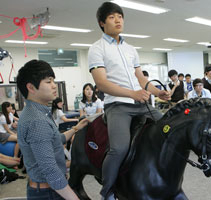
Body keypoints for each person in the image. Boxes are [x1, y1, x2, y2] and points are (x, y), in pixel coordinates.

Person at [88, 2, 170, 199]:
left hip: (140, 104)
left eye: (120, 16)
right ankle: (107, 191)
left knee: (169, 129)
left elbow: (141, 79)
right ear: (102, 23)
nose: (118, 20)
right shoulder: (96, 49)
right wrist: (132, 94)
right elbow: (101, 83)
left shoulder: (131, 48)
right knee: (119, 148)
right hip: (117, 105)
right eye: (112, 17)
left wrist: (157, 92)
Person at [16, 59, 88, 200]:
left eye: (53, 81)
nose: (54, 86)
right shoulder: (37, 121)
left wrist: (75, 128)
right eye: (48, 82)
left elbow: (56, 139)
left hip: (46, 189)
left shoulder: (35, 112)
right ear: (31, 87)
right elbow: (51, 171)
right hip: (49, 193)